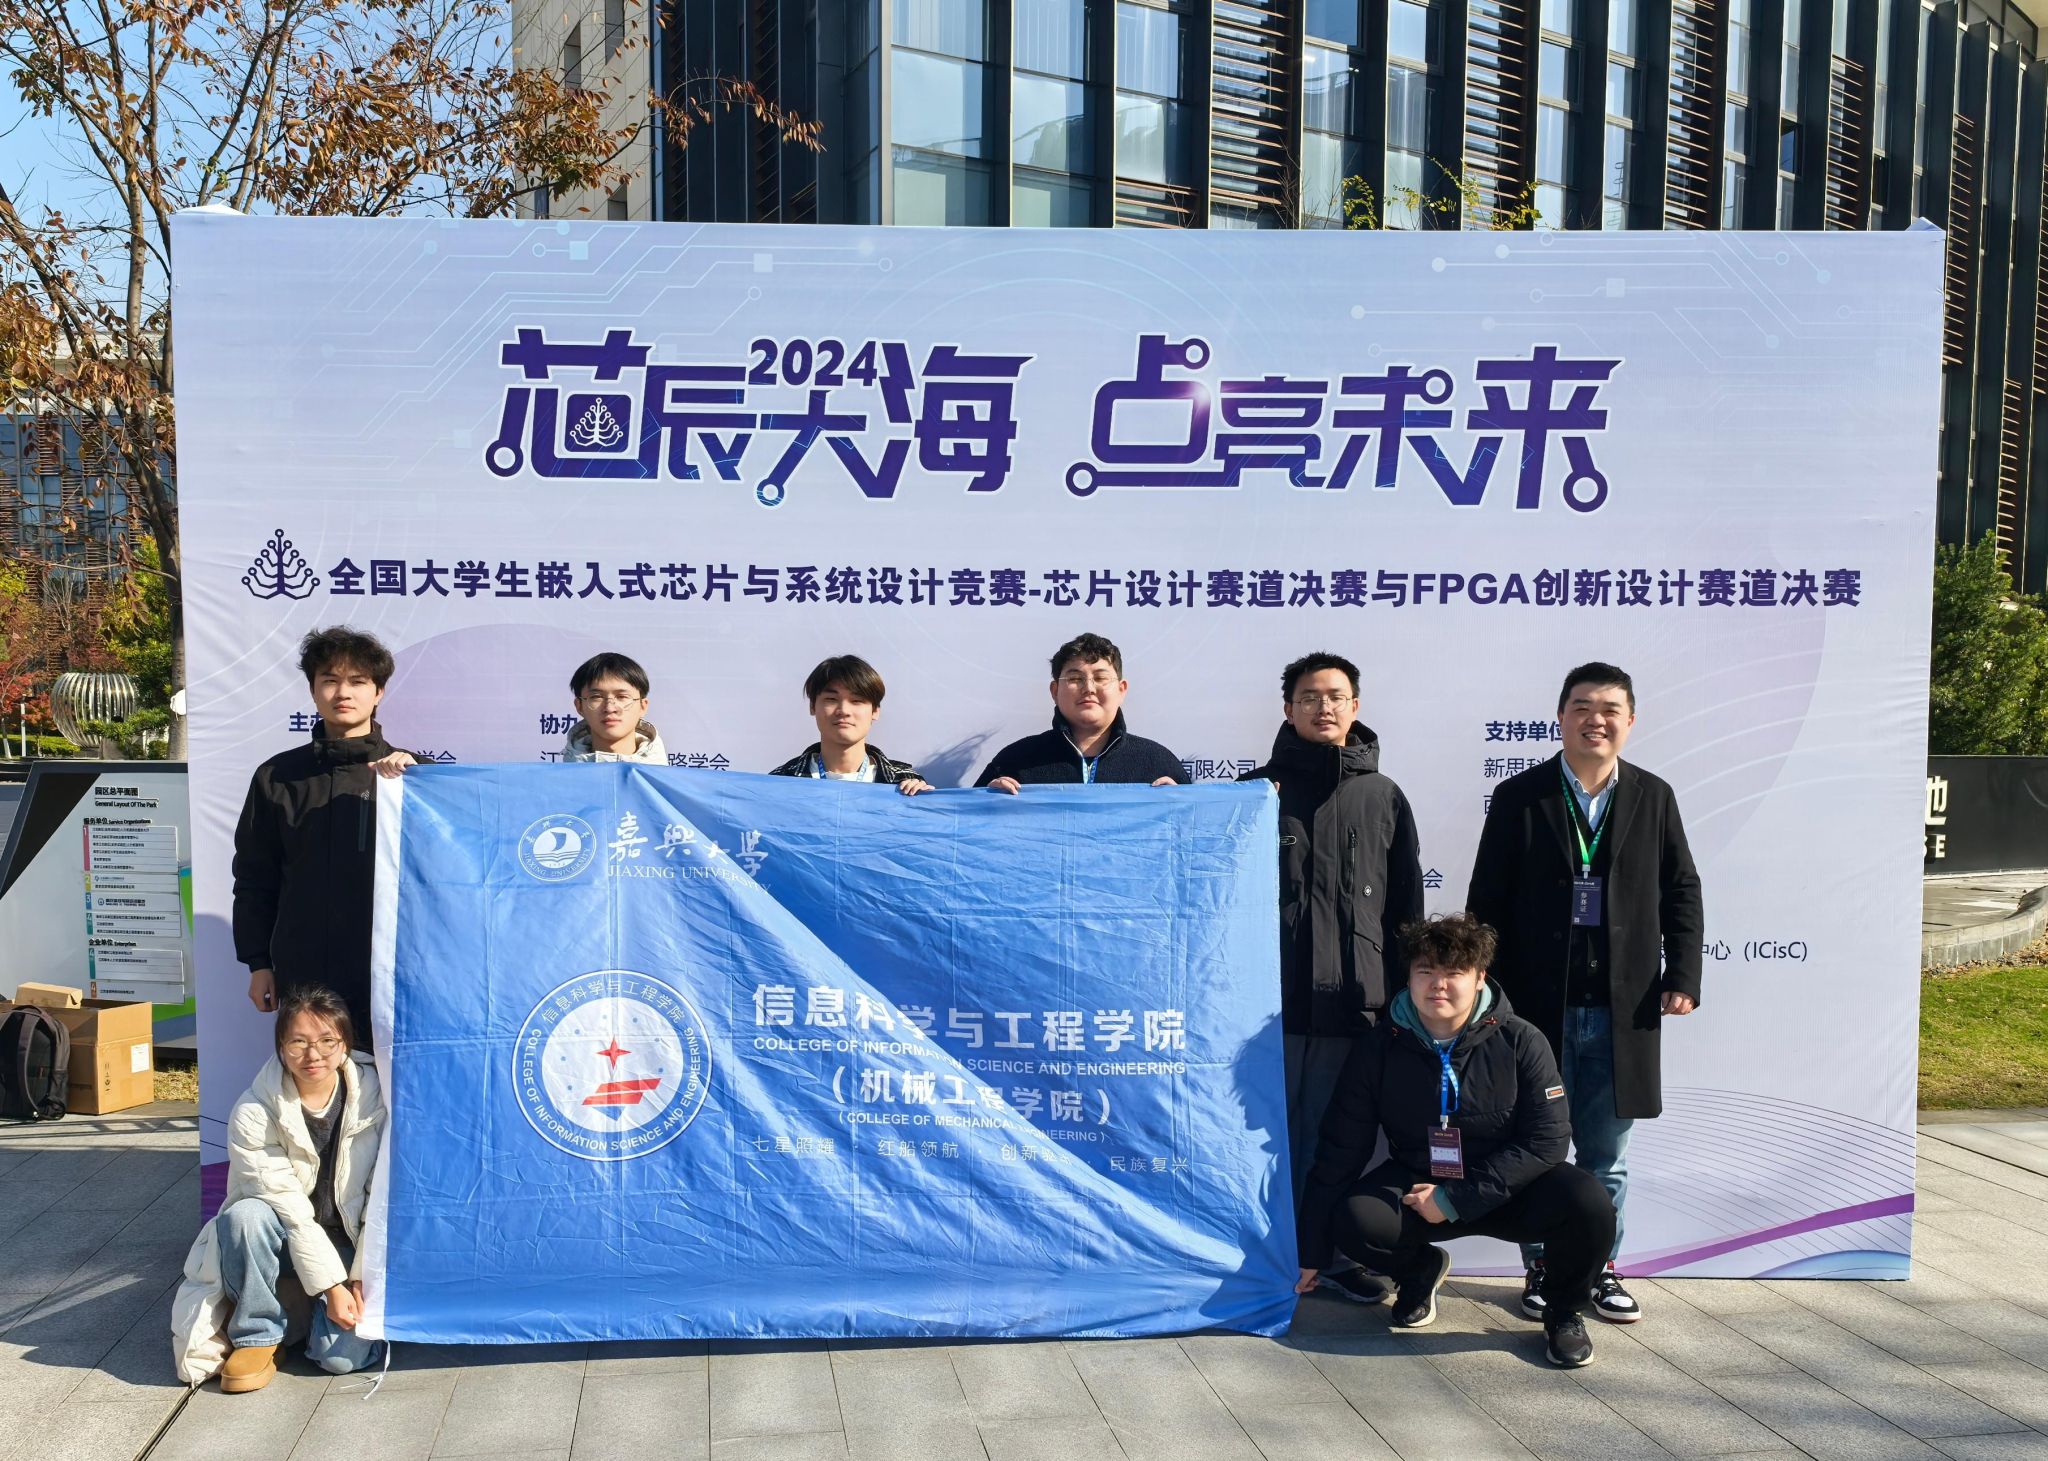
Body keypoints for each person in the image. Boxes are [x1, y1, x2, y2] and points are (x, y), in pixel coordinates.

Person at [1466, 661, 1704, 1326]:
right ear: (1560, 717)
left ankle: (1598, 1267)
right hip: (1534, 1011)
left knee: (1607, 1157)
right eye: (1581, 707)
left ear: (1630, 721)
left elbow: (1682, 888)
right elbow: (1486, 900)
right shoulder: (1520, 796)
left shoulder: (1653, 795)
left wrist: (1683, 974)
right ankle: (1542, 1267)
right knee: (1537, 1150)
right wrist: (1485, 991)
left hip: (1622, 1009)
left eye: (1609, 710)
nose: (1595, 720)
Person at [1295, 914, 1615, 1369]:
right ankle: (1418, 1272)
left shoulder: (1521, 1039)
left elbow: (1547, 1140)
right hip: (1420, 1183)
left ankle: (1564, 1312)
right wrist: (1311, 1252)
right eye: (1425, 971)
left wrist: (1455, 1199)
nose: (1438, 985)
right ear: (1409, 976)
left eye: (1454, 973)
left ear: (1480, 977)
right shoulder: (1379, 1047)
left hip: (1508, 1185)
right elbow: (1339, 1150)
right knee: (1355, 1218)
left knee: (1589, 1202)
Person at [1241, 650, 1423, 1306]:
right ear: (1288, 708)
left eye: (1336, 696)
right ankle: (1268, 1257)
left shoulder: (1384, 797)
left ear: (1355, 707)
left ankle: (1335, 1260)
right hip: (1270, 1010)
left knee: (1342, 1143)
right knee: (1266, 1140)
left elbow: (1405, 910)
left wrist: (1404, 997)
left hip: (1358, 1008)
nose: (1324, 707)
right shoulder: (1255, 793)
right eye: (1310, 697)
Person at [171, 987, 387, 1390]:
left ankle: (303, 1318)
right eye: (298, 1042)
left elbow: (381, 1196)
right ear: (281, 1047)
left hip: (348, 1239)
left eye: (327, 1041)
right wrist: (331, 1287)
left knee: (340, 1360)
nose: (313, 1055)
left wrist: (361, 1275)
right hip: (283, 1233)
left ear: (345, 1043)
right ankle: (258, 1334)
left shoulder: (376, 1094)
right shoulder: (253, 1111)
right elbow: (291, 1213)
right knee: (245, 1216)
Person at [233, 626, 414, 1049]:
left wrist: (416, 779)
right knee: (312, 1071)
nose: (343, 693)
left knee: (388, 1075)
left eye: (357, 682)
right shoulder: (277, 777)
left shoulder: (411, 776)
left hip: (389, 966)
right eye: (330, 681)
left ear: (379, 692)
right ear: (313, 691)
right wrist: (258, 963)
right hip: (305, 963)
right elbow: (255, 878)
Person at [974, 633, 1189, 791]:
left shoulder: (1157, 763)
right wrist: (986, 804)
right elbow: (966, 830)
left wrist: (1182, 806)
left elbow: (1198, 832)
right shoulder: (1015, 761)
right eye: (1075, 678)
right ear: (1055, 691)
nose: (1089, 688)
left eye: (1101, 678)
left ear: (1121, 690)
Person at [769, 655, 932, 793]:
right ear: (813, 707)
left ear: (875, 711)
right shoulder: (779, 782)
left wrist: (922, 800)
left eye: (857, 701)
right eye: (831, 699)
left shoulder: (903, 782)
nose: (844, 711)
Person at [561, 651, 668, 764]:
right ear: (579, 706)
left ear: (642, 706)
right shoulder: (561, 775)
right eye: (597, 697)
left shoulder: (666, 775)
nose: (610, 708)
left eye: (622, 697)